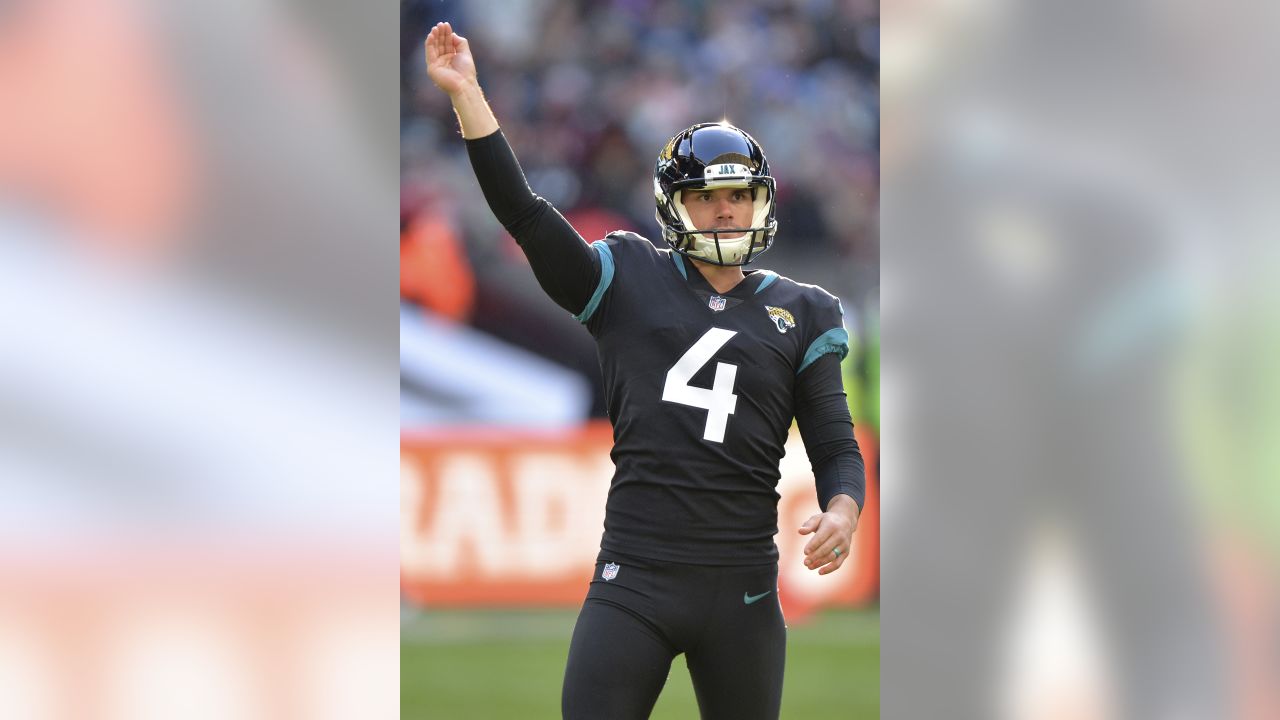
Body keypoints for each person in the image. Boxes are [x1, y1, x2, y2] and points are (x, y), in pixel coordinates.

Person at [425, 21, 865, 720]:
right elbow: (527, 216)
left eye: (739, 196)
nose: (726, 210)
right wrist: (469, 97)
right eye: (707, 198)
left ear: (762, 201)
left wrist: (842, 509)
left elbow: (836, 444)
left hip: (744, 588)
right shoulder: (629, 275)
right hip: (637, 578)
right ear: (674, 207)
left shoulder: (803, 310)